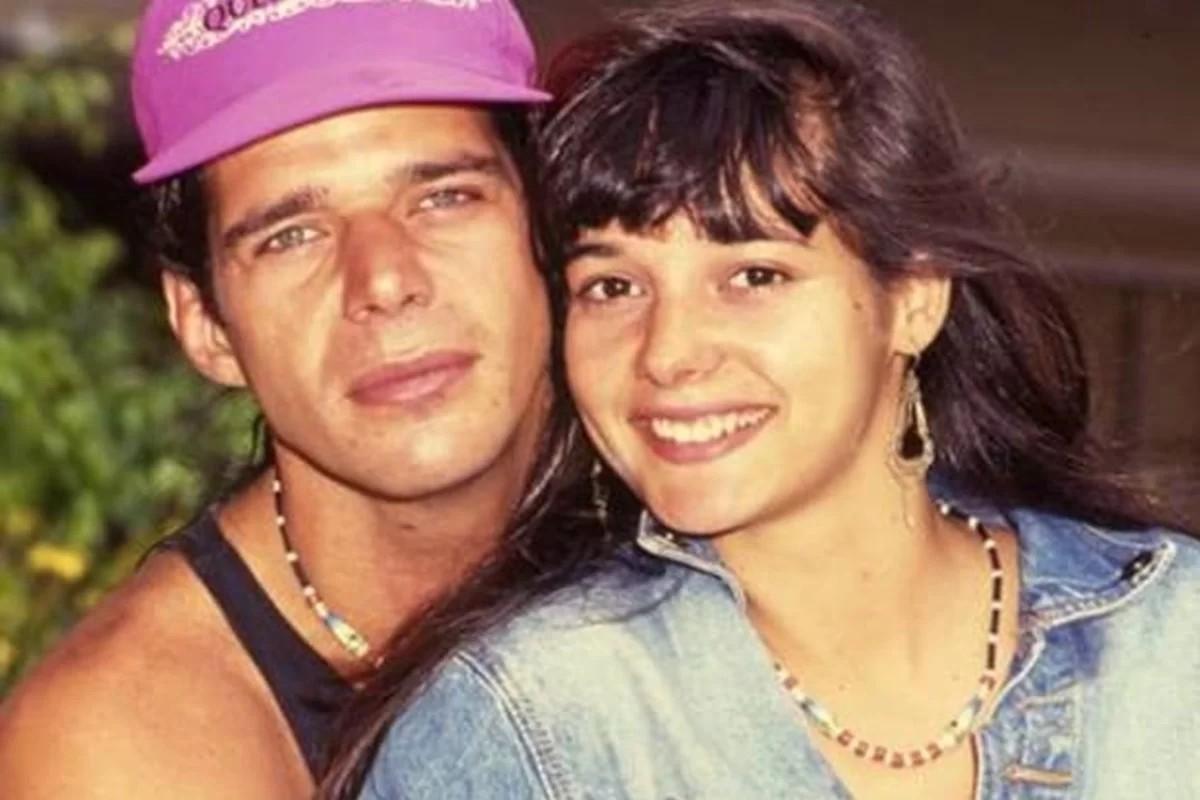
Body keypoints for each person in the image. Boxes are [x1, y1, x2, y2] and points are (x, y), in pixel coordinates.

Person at [331, 2, 1200, 799]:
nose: (668, 354)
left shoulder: (1171, 643)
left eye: (753, 276)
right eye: (612, 287)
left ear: (914, 298)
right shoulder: (528, 723)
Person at [0, 0, 593, 796]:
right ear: (205, 323)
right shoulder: (126, 747)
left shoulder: (713, 513)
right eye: (291, 235)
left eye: (444, 197)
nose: (384, 279)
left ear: (553, 228)